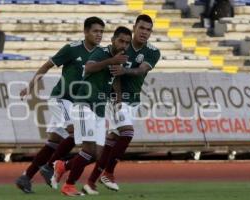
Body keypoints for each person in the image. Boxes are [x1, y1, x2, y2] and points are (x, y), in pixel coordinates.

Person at [14, 16, 105, 194]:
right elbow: (46, 66)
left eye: (101, 31)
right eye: (95, 31)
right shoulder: (72, 49)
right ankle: (49, 167)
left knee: (54, 142)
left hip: (78, 104)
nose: (99, 35)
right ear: (85, 32)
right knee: (76, 130)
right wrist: (30, 86)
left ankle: (26, 176)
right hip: (61, 99)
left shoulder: (100, 54)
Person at [82, 14, 161, 195]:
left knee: (111, 143)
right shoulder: (122, 45)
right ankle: (108, 173)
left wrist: (125, 70)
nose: (144, 32)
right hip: (116, 99)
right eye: (141, 28)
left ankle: (87, 180)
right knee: (127, 132)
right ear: (134, 28)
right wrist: (117, 100)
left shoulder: (153, 52)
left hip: (133, 101)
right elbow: (113, 74)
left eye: (148, 30)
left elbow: (141, 70)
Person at [55, 26, 132, 196]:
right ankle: (69, 185)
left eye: (127, 43)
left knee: (98, 154)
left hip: (99, 108)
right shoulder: (101, 53)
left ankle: (63, 166)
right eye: (121, 41)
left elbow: (116, 80)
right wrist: (111, 62)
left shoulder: (120, 59)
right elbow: (89, 68)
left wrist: (118, 99)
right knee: (89, 149)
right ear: (113, 40)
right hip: (84, 104)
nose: (124, 45)